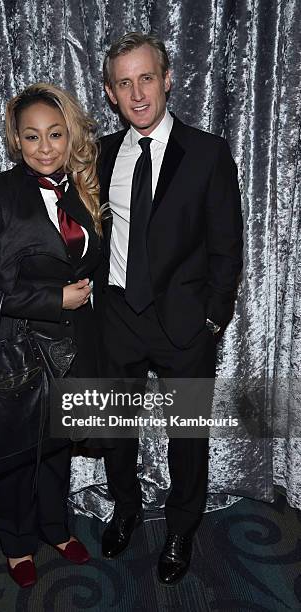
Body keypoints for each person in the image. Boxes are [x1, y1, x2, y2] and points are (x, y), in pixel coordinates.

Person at [94, 32, 243, 585]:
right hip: (117, 317)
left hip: (184, 326)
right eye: (124, 83)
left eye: (147, 78)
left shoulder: (208, 153)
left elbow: (228, 247)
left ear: (168, 78)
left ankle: (182, 527)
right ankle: (126, 510)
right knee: (116, 428)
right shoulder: (102, 154)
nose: (137, 94)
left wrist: (212, 320)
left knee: (186, 436)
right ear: (110, 93)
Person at [0, 83, 102, 587]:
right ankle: (16, 543)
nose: (45, 148)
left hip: (74, 346)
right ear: (16, 141)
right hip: (18, 345)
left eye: (56, 135)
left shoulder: (83, 188)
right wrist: (53, 300)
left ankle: (55, 527)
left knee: (59, 445)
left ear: (69, 136)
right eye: (32, 137)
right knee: (18, 452)